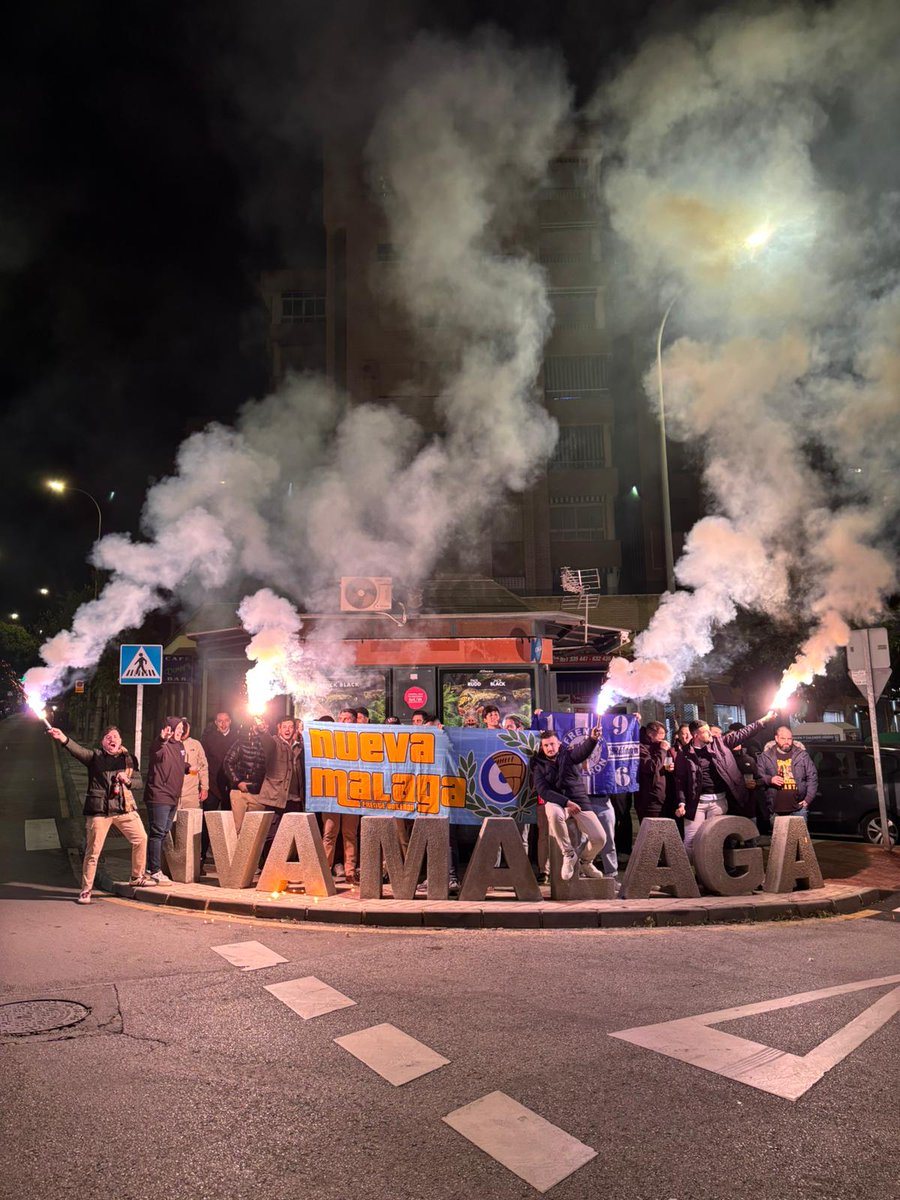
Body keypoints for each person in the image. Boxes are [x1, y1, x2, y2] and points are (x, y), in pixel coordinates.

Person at [48, 724, 154, 902]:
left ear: (120, 740)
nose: (112, 739)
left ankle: (137, 877)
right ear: (103, 742)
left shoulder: (129, 760)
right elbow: (78, 751)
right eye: (108, 737)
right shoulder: (95, 757)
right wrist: (63, 738)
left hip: (123, 808)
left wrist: (127, 780)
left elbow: (138, 782)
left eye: (115, 736)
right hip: (99, 812)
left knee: (141, 838)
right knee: (93, 852)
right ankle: (86, 889)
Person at [675, 711, 777, 859]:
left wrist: (764, 720)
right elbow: (680, 780)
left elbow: (743, 733)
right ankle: (689, 871)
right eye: (706, 732)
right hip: (696, 803)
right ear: (696, 735)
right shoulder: (685, 754)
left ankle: (711, 871)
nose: (711, 734)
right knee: (691, 841)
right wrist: (682, 802)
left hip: (718, 801)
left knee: (714, 840)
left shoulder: (720, 743)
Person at [531, 727, 607, 881]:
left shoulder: (568, 754)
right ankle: (569, 854)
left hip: (578, 800)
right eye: (546, 745)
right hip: (557, 801)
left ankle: (586, 862)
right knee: (553, 813)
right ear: (542, 747)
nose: (550, 748)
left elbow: (582, 752)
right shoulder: (538, 764)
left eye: (552, 744)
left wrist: (593, 739)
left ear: (558, 744)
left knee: (600, 838)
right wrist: (566, 802)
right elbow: (543, 791)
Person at [248, 717, 305, 856]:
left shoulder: (300, 747)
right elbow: (266, 739)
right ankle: (267, 864)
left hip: (295, 798)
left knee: (292, 836)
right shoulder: (274, 743)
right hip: (275, 797)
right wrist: (262, 728)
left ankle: (286, 863)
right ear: (279, 728)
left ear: (295, 729)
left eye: (290, 727)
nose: (287, 730)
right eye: (284, 726)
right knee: (271, 834)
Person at [144, 717, 189, 884]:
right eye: (178, 728)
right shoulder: (161, 744)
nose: (180, 731)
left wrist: (187, 767)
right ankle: (154, 870)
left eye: (182, 728)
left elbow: (177, 763)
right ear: (169, 729)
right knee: (157, 833)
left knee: (163, 833)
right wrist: (162, 739)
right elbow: (156, 752)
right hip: (159, 795)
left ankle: (150, 867)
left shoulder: (180, 746)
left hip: (173, 796)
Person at [199, 711, 238, 870]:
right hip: (212, 786)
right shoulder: (208, 739)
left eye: (226, 720)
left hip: (231, 787)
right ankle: (200, 858)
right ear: (215, 723)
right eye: (220, 721)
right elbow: (203, 762)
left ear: (230, 721)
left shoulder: (237, 737)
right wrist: (204, 785)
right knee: (207, 822)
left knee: (231, 824)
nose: (223, 724)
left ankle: (231, 862)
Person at [757, 726, 818, 824]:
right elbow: (758, 778)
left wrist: (808, 798)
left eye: (789, 739)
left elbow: (812, 777)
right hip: (775, 810)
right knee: (779, 835)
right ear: (776, 738)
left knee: (798, 834)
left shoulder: (802, 755)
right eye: (783, 738)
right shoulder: (765, 757)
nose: (787, 741)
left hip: (798, 809)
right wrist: (770, 779)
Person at [223, 718, 267, 830]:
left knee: (255, 830)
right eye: (257, 725)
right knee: (237, 828)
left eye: (262, 725)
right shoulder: (241, 742)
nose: (260, 727)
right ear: (252, 727)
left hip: (259, 793)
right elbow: (227, 762)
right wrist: (237, 782)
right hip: (239, 792)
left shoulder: (269, 745)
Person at [636, 722, 675, 822]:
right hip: (649, 799)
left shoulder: (659, 746)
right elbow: (651, 767)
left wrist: (670, 768)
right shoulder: (640, 747)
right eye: (660, 735)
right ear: (650, 734)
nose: (663, 739)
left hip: (663, 796)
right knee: (652, 829)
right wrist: (662, 750)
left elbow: (662, 764)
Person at [177, 718, 209, 811]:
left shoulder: (196, 744)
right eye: (181, 728)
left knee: (192, 819)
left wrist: (204, 788)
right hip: (173, 795)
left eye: (186, 728)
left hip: (191, 795)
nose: (183, 731)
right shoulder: (170, 745)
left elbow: (203, 767)